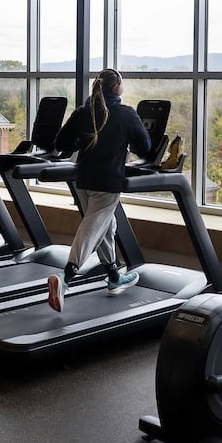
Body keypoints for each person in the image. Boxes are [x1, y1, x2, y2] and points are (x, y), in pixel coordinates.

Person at [47, 68, 151, 312]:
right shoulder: (126, 114)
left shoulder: (84, 112)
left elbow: (61, 143)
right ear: (117, 88)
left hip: (83, 180)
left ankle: (114, 276)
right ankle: (65, 278)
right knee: (93, 229)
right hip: (107, 182)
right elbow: (144, 146)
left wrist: (82, 143)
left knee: (106, 226)